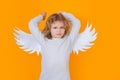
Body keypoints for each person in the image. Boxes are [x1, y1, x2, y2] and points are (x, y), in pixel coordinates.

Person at [28, 11, 81, 80]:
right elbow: (31, 24)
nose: (58, 31)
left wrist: (64, 14)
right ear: (49, 29)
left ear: (65, 28)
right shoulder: (44, 40)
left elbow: (77, 23)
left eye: (61, 27)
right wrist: (41, 16)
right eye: (55, 27)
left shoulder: (68, 40)